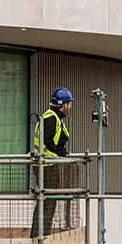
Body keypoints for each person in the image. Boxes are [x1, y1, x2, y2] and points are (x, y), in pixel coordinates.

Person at [32, 87, 74, 230]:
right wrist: (59, 152)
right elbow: (48, 140)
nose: (70, 107)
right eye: (69, 104)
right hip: (46, 165)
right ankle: (40, 234)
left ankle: (42, 232)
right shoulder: (51, 118)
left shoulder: (54, 117)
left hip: (47, 163)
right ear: (64, 105)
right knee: (47, 200)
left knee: (49, 200)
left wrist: (60, 151)